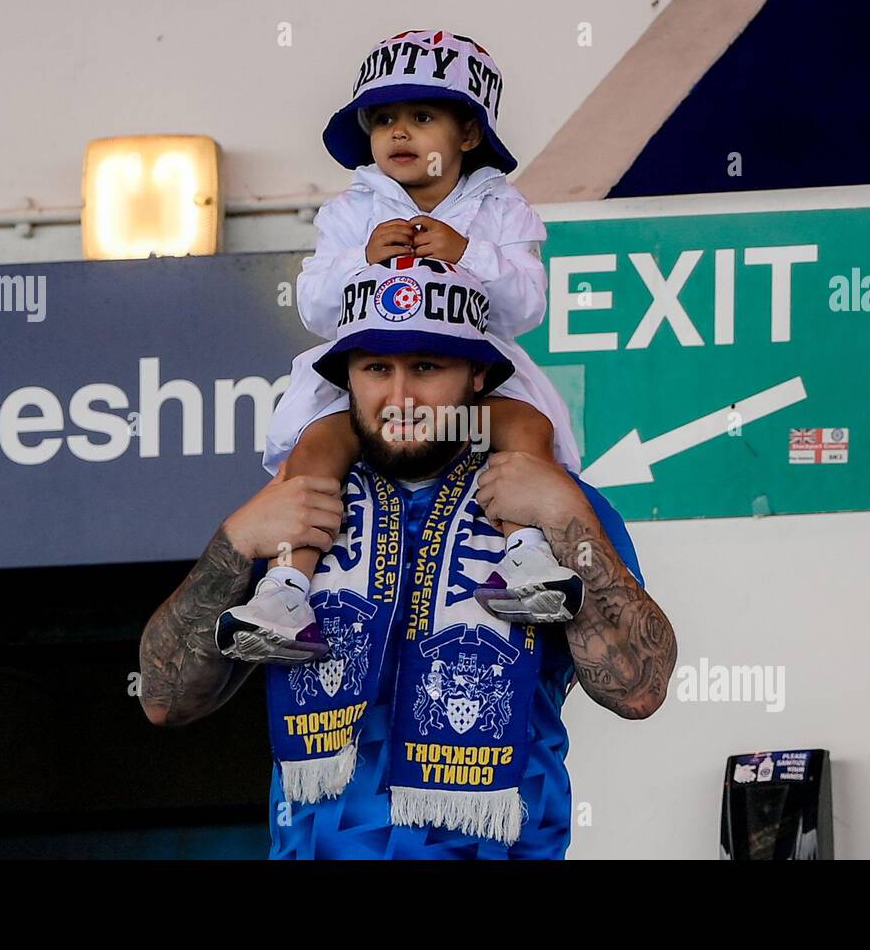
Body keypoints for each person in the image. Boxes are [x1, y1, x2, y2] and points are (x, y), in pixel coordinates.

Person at [138, 261, 678, 859]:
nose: (399, 396)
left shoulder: (554, 504)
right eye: (376, 369)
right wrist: (233, 544)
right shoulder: (292, 510)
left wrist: (571, 524)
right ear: (347, 377)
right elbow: (165, 698)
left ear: (478, 375)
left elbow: (639, 689)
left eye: (426, 366)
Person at [220, 28, 587, 648]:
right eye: (383, 118)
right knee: (313, 449)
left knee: (528, 429)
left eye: (422, 116)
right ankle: (284, 592)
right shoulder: (348, 212)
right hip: (367, 392)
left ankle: (525, 560)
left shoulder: (502, 208)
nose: (399, 133)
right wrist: (360, 261)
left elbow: (526, 306)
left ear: (467, 135)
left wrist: (470, 254)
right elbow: (314, 309)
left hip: (469, 384)